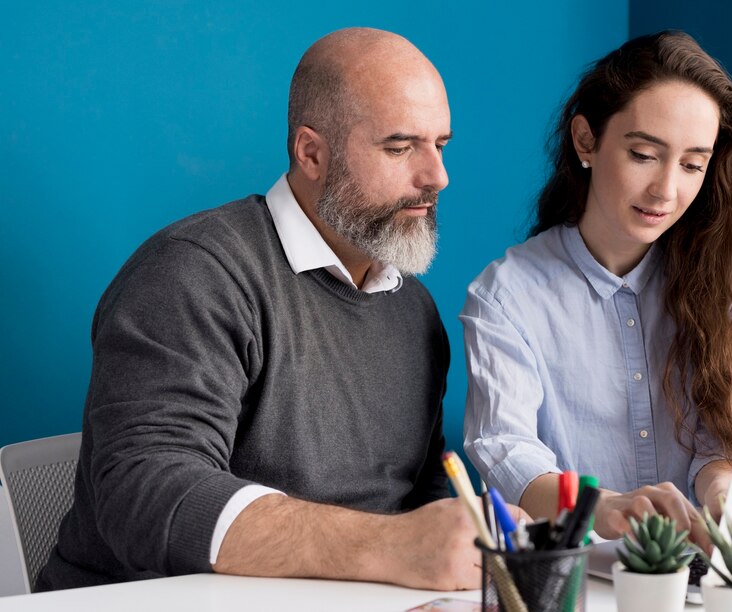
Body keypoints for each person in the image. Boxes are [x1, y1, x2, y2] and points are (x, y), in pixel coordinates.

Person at [37, 28, 485, 592]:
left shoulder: (413, 310)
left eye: (439, 145)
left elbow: (416, 499)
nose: (436, 177)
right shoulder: (192, 273)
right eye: (399, 147)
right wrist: (389, 546)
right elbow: (143, 491)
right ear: (311, 152)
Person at [462, 31, 732, 547]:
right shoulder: (507, 296)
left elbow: (719, 441)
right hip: (581, 575)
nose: (666, 190)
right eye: (643, 155)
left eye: (692, 165)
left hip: (701, 568)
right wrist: (605, 507)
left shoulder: (728, 280)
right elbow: (507, 451)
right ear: (586, 140)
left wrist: (725, 492)